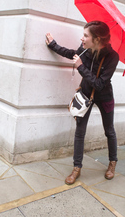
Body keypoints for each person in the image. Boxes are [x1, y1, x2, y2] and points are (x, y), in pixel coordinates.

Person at [45, 21, 120, 185]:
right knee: (80, 131)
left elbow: (100, 84)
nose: (82, 38)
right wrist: (53, 45)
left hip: (105, 96)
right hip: (86, 94)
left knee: (109, 131)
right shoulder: (85, 49)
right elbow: (72, 54)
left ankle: (112, 162)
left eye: (86, 35)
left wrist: (81, 67)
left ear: (97, 39)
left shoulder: (113, 57)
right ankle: (77, 168)